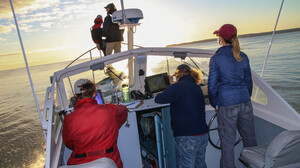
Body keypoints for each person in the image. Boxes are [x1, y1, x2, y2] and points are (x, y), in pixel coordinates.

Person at [208, 24, 257, 168]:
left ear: (221, 38)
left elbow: (212, 86)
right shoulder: (243, 56)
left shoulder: (216, 59)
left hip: (227, 103)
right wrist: (245, 98)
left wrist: (215, 104)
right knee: (250, 139)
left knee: (228, 143)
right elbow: (249, 81)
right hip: (245, 101)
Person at [62, 79, 128, 168]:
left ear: (76, 97)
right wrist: (113, 125)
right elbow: (124, 111)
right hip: (109, 159)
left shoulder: (68, 119)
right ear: (94, 94)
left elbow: (68, 143)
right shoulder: (110, 109)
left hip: (79, 163)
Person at [155, 64, 209, 168]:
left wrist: (171, 85)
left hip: (188, 137)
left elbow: (158, 98)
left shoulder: (178, 87)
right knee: (200, 165)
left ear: (178, 75)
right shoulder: (195, 85)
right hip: (202, 134)